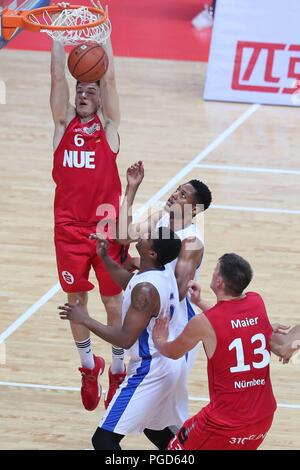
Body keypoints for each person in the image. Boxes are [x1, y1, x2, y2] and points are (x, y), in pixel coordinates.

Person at [50, 8, 126, 411]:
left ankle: (116, 369)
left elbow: (109, 75)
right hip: (67, 228)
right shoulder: (62, 128)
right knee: (75, 301)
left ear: (99, 96)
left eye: (90, 89)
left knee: (113, 303)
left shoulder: (110, 129)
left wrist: (104, 28)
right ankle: (87, 366)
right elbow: (56, 79)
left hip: (105, 229)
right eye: (80, 88)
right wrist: (55, 37)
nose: (84, 93)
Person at [58, 227, 188, 450]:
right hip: (169, 363)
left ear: (152, 253)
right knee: (154, 428)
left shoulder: (145, 290)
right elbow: (131, 285)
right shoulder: (161, 271)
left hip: (150, 368)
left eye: (148, 238)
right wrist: (105, 258)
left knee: (103, 440)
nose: (143, 235)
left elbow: (125, 339)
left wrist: (84, 319)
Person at [153, 253, 279, 450]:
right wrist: (200, 302)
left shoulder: (202, 323)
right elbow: (230, 324)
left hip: (223, 423)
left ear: (219, 281)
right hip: (262, 419)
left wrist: (159, 339)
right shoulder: (256, 303)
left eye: (215, 270)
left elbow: (173, 352)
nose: (212, 273)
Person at [117, 161, 212, 367]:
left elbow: (177, 292)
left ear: (194, 209)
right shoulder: (160, 217)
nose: (175, 195)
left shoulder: (191, 242)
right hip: (151, 308)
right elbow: (123, 237)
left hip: (175, 323)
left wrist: (139, 262)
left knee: (165, 389)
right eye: (177, 190)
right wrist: (131, 188)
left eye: (183, 195)